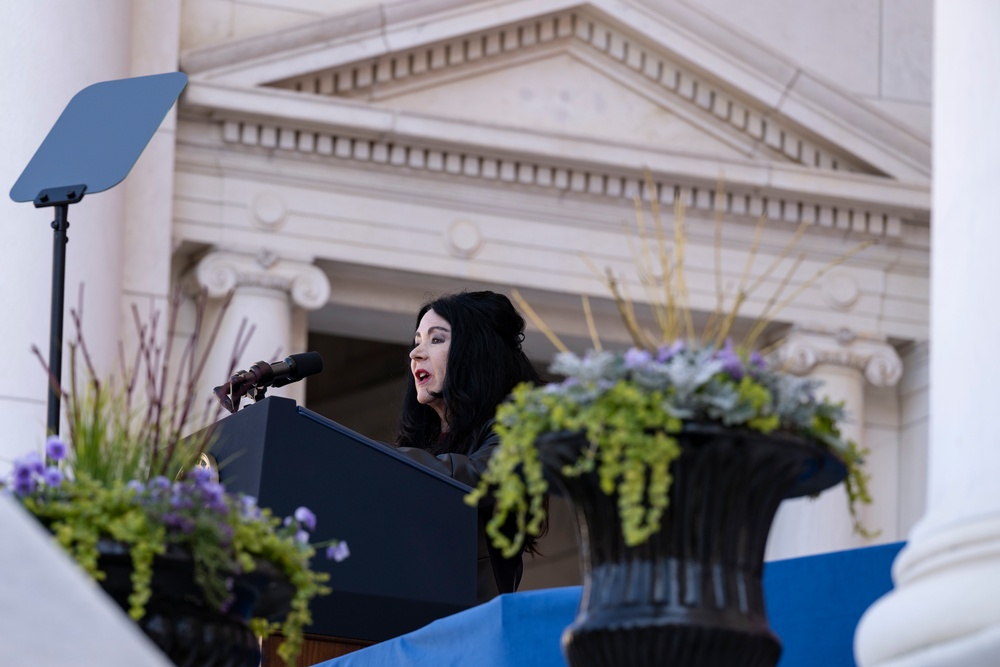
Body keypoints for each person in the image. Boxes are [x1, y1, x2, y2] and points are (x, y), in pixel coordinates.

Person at [393, 290, 542, 603]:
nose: (416, 353)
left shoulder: (517, 426)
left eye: (436, 339)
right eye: (417, 340)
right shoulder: (425, 444)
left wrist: (379, 462)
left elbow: (478, 478)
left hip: (468, 622)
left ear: (474, 350)